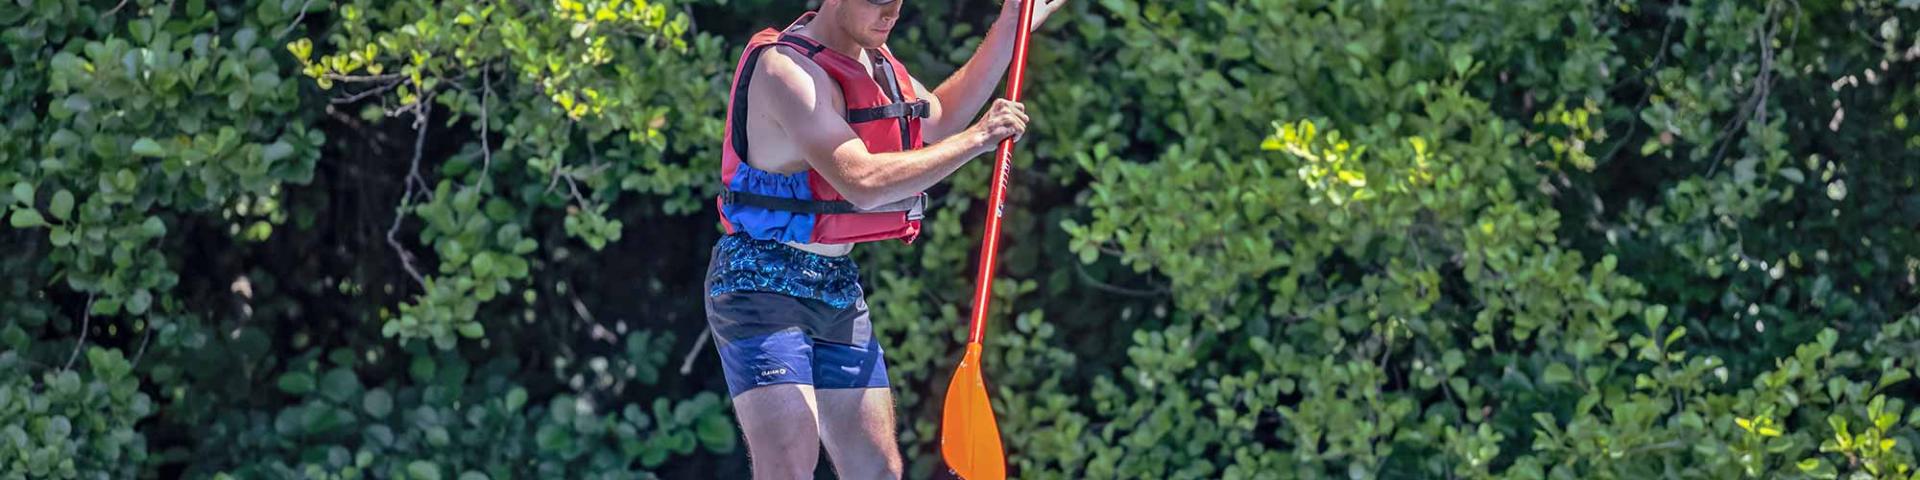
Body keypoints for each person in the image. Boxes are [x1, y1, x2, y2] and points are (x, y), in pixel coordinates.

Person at [702, 0, 1067, 477]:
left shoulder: (872, 59)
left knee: (877, 470)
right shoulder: (786, 70)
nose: (890, 13)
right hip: (759, 282)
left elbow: (940, 118)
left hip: (834, 284)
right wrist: (981, 138)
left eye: (896, 1)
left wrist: (1010, 27)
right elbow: (861, 180)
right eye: (877, 2)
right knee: (789, 464)